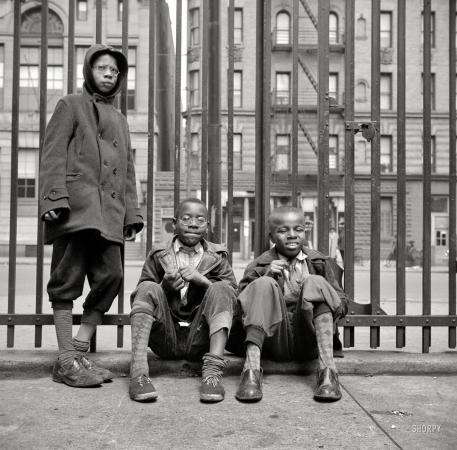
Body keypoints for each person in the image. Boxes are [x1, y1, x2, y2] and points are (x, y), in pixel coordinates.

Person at [40, 44, 144, 388]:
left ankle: (77, 351)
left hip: (110, 214)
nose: (108, 74)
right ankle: (67, 361)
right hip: (76, 210)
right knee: (67, 280)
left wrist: (131, 215)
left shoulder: (121, 120)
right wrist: (54, 197)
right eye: (102, 68)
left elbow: (128, 171)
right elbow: (53, 154)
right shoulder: (70, 105)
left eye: (114, 71)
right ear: (89, 70)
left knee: (112, 275)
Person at [227, 206, 352, 403]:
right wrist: (266, 275)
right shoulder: (258, 265)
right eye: (283, 230)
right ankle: (251, 371)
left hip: (310, 339)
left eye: (298, 229)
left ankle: (328, 372)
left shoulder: (318, 262)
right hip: (273, 341)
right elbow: (240, 309)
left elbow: (342, 304)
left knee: (315, 283)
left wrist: (315, 288)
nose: (292, 235)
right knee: (263, 284)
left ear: (304, 232)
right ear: (272, 236)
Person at [128, 198, 238, 403]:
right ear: (175, 222)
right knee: (148, 287)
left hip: (201, 338)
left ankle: (212, 375)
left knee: (221, 287)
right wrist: (164, 288)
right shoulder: (158, 254)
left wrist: (204, 281)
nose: (193, 224)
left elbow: (233, 296)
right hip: (165, 337)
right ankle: (139, 374)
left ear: (207, 225)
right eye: (186, 218)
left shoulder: (218, 256)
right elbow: (141, 296)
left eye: (200, 219)